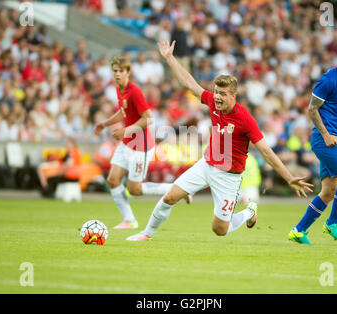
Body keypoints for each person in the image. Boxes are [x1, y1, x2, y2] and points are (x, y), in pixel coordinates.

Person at [126, 39, 313, 241]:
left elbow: (266, 151)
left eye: (223, 94)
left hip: (229, 177)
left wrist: (288, 177)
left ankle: (250, 211)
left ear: (233, 95)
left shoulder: (245, 119)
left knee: (219, 230)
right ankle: (146, 234)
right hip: (206, 165)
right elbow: (190, 84)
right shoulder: (213, 103)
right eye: (216, 92)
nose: (217, 97)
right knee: (170, 196)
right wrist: (170, 58)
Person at [94, 56, 191, 230]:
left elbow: (148, 119)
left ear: (128, 72)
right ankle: (129, 220)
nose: (117, 74)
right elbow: (123, 113)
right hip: (127, 143)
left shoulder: (134, 92)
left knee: (135, 190)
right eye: (114, 71)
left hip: (140, 146)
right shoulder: (119, 89)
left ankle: (179, 189)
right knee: (113, 180)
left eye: (120, 71)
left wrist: (126, 130)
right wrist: (105, 123)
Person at [288, 40, 337, 244]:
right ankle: (332, 223)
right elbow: (312, 110)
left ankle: (298, 230)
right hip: (324, 140)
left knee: (329, 191)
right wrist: (327, 134)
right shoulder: (328, 79)